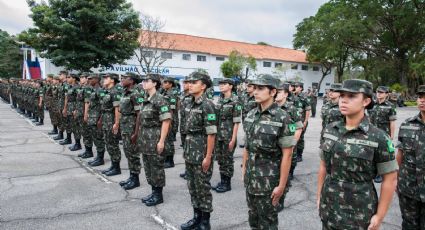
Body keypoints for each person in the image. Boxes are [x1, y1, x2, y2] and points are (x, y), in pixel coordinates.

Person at [317, 79, 398, 230]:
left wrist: (379, 216)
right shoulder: (330, 130)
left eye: (352, 96)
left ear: (366, 101)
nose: (344, 100)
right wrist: (318, 197)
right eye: (342, 96)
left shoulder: (379, 137)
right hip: (329, 207)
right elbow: (323, 166)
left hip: (359, 214)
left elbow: (390, 179)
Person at [242, 74, 295, 229]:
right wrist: (244, 169)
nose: (255, 92)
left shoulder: (283, 117)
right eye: (254, 88)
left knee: (268, 222)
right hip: (251, 177)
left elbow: (288, 154)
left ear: (272, 92)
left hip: (268, 181)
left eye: (260, 88)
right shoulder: (251, 114)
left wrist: (281, 185)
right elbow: (247, 146)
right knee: (253, 219)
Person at [180, 71, 216, 230]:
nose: (190, 84)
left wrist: (208, 157)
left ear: (203, 86)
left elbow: (211, 133)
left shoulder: (207, 105)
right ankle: (196, 217)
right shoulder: (189, 103)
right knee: (192, 186)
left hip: (201, 152)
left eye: (194, 82)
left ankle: (205, 221)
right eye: (189, 82)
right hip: (190, 151)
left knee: (203, 188)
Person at [134, 73, 171, 206]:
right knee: (148, 167)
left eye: (147, 80)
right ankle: (153, 191)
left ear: (155, 83)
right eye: (143, 80)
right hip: (145, 138)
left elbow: (166, 121)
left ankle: (158, 195)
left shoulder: (160, 99)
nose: (144, 82)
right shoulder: (145, 99)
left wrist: (161, 141)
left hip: (155, 137)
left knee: (156, 167)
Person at [396, 85, 425, 229]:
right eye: (420, 97)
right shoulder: (407, 125)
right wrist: (396, 179)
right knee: (408, 225)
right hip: (408, 188)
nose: (422, 101)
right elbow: (400, 154)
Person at [212, 78, 241, 193]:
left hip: (228, 135)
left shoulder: (235, 101)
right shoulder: (220, 99)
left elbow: (237, 122)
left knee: (227, 159)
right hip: (219, 135)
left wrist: (233, 139)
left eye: (224, 84)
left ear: (231, 86)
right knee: (220, 158)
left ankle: (227, 183)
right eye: (220, 84)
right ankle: (222, 180)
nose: (221, 86)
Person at [118, 73, 144, 190]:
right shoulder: (125, 92)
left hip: (132, 126)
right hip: (125, 125)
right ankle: (131, 176)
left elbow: (139, 114)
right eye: (122, 78)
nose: (122, 79)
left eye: (125, 78)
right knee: (128, 152)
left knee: (133, 154)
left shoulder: (135, 94)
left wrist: (136, 132)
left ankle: (135, 179)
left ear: (132, 81)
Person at [368, 86, 397, 183]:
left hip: (384, 134)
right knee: (370, 152)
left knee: (382, 154)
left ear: (386, 94)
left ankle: (380, 174)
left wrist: (391, 135)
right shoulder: (372, 105)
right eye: (377, 92)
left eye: (381, 92)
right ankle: (372, 171)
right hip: (371, 133)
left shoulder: (390, 106)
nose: (379, 94)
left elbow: (392, 122)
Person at [99, 73, 123, 176]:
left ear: (112, 80)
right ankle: (113, 165)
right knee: (108, 142)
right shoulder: (107, 91)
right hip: (105, 119)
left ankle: (117, 168)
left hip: (111, 119)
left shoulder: (115, 91)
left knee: (113, 144)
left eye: (106, 78)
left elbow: (117, 109)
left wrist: (116, 123)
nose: (104, 79)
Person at [86, 74, 106, 167]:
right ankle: (98, 157)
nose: (89, 80)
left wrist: (100, 120)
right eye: (88, 79)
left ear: (97, 80)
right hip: (92, 118)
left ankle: (100, 159)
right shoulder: (93, 90)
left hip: (97, 118)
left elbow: (103, 106)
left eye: (91, 79)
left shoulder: (100, 91)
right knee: (95, 138)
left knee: (99, 139)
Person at [293, 82, 311, 162]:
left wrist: (305, 122)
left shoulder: (304, 97)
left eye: (296, 86)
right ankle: (293, 153)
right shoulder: (292, 96)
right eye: (294, 86)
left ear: (301, 88)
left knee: (300, 138)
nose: (295, 88)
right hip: (293, 122)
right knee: (293, 137)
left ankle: (299, 155)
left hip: (301, 122)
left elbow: (307, 110)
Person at [179, 76, 193, 180]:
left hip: (191, 128)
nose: (184, 85)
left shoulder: (194, 96)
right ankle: (188, 170)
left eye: (186, 83)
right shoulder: (182, 95)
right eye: (184, 83)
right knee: (185, 150)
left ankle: (192, 171)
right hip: (183, 126)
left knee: (191, 150)